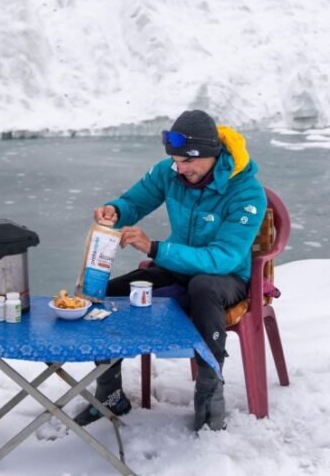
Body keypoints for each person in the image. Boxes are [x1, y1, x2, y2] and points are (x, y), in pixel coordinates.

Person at [74, 110, 267, 431]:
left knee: (204, 287)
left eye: (187, 162)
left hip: (227, 277)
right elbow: (134, 202)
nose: (180, 169)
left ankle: (209, 394)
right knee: (106, 295)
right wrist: (116, 211)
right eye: (176, 161)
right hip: (176, 269)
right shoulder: (170, 172)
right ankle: (109, 395)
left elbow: (223, 258)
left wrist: (155, 249)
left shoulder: (247, 193)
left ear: (211, 154)